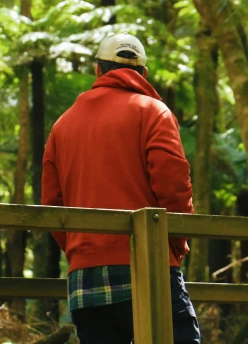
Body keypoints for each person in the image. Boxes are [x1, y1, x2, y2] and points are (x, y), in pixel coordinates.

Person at [41, 33, 200, 344]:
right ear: (144, 74)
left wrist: (82, 250)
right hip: (150, 266)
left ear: (98, 71)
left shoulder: (62, 125)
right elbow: (174, 188)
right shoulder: (154, 112)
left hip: (85, 280)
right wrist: (175, 246)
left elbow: (52, 206)